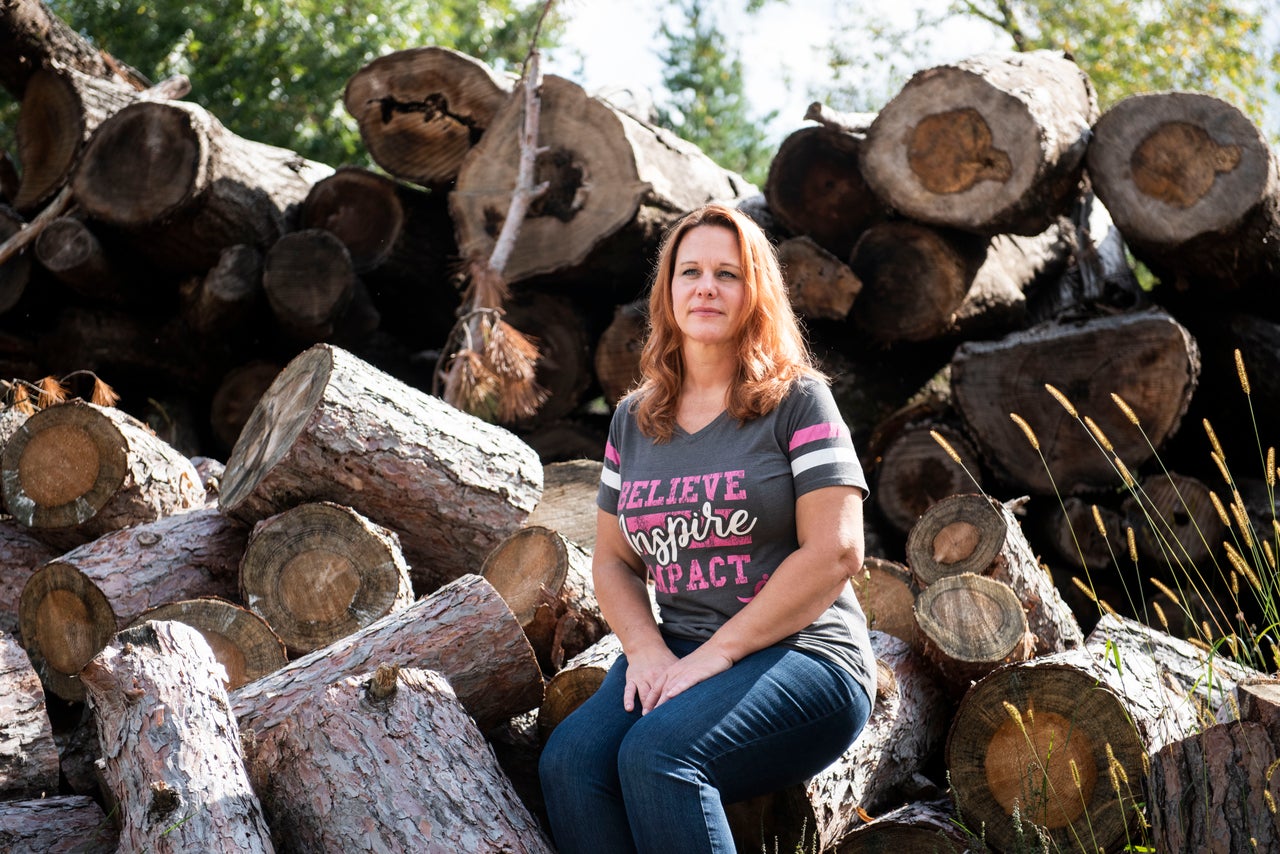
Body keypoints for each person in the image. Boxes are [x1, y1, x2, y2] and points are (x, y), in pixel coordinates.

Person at [538, 203, 877, 854]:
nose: (706, 287)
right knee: (571, 762)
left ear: (756, 293)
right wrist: (646, 651)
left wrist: (717, 654)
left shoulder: (797, 400)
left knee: (658, 756)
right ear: (666, 291)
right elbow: (612, 562)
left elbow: (837, 550)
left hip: (804, 654)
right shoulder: (634, 420)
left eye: (728, 273)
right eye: (689, 271)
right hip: (679, 647)